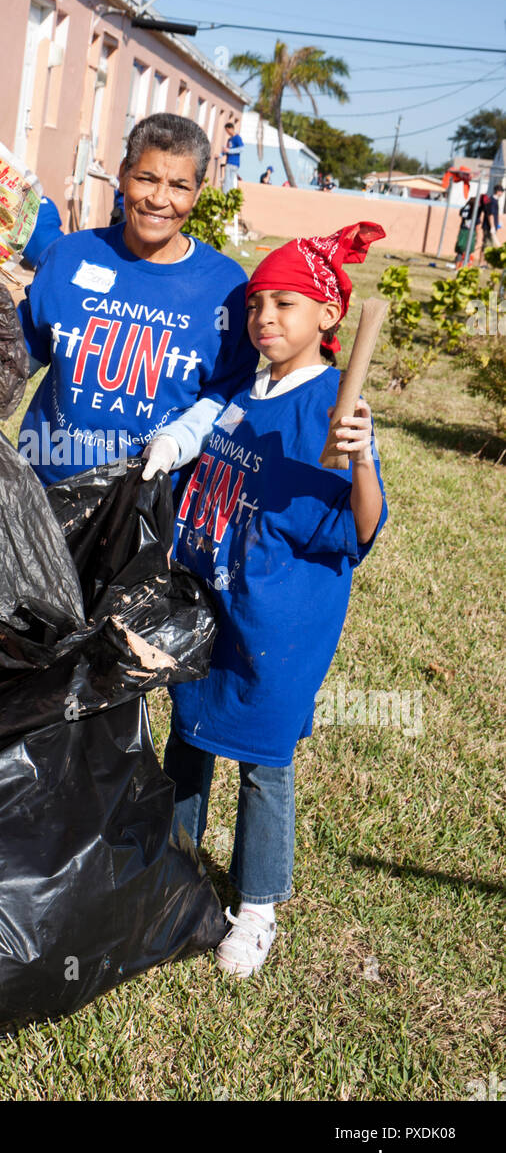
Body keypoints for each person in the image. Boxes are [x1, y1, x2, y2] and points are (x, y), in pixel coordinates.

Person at [140, 222, 388, 978]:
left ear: (328, 317)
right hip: (211, 606)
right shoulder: (246, 391)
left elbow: (361, 528)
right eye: (256, 305)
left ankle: (256, 908)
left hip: (279, 625)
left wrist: (363, 459)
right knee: (188, 734)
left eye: (287, 303)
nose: (266, 318)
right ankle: (175, 867)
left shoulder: (332, 410)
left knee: (263, 762)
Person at [16, 113, 259, 485]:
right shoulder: (69, 257)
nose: (159, 199)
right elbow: (16, 359)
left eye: (178, 186)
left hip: (140, 506)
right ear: (124, 172)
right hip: (39, 481)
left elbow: (228, 394)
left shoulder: (225, 288)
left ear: (198, 191)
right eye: (146, 178)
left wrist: (176, 442)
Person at [22, 197, 63, 270]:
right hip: (61, 244)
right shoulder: (48, 201)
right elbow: (58, 222)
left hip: (39, 257)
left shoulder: (21, 205)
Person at [221, 119, 244, 191]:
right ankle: (227, 194)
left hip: (234, 163)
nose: (227, 132)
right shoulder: (229, 139)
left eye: (227, 130)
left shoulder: (237, 138)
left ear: (231, 129)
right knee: (227, 180)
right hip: (228, 162)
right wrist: (220, 154)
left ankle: (229, 195)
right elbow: (227, 150)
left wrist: (229, 150)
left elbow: (241, 149)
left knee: (230, 181)